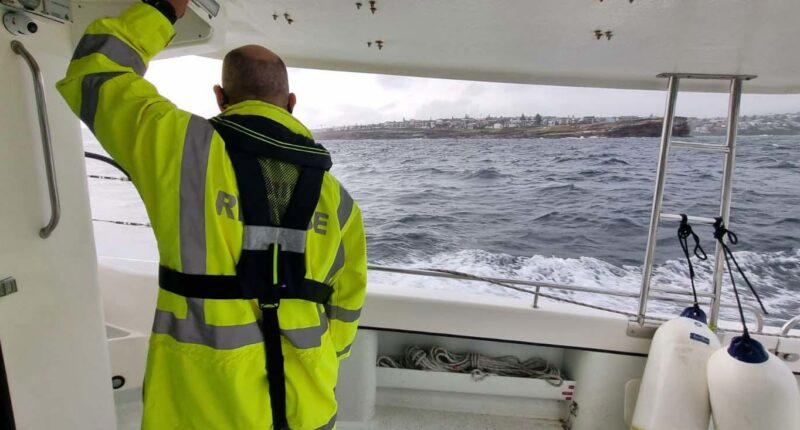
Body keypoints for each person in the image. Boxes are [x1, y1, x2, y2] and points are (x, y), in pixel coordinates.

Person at [57, 0, 367, 428]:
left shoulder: (179, 146)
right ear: (291, 102)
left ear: (220, 98)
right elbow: (346, 307)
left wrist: (162, 9)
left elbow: (96, 72)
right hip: (309, 403)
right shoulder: (341, 201)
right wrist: (321, 364)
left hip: (203, 405)